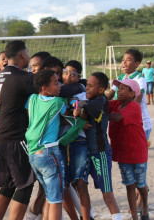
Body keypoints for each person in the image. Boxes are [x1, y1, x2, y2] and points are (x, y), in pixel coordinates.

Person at [0, 40, 37, 220]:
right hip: (14, 137)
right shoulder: (22, 77)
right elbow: (50, 87)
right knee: (26, 182)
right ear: (23, 54)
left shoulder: (1, 76)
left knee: (9, 183)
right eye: (28, 51)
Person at [75, 72, 123, 220]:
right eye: (86, 85)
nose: (86, 89)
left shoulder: (99, 101)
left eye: (90, 86)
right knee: (81, 187)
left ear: (101, 90)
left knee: (107, 194)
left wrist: (77, 105)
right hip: (86, 152)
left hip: (100, 153)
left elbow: (86, 106)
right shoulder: (95, 99)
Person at [25, 69, 66, 220]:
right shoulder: (57, 102)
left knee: (49, 196)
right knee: (56, 199)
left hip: (34, 154)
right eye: (55, 83)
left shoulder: (32, 98)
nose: (60, 85)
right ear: (44, 87)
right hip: (49, 153)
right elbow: (67, 112)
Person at [108, 79, 149, 220]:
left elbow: (117, 117)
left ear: (132, 94)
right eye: (118, 88)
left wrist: (100, 116)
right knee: (129, 185)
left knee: (140, 184)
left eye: (123, 88)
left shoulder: (134, 106)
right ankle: (134, 216)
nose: (119, 90)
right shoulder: (115, 104)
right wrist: (111, 90)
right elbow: (103, 102)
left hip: (137, 152)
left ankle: (144, 206)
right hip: (123, 153)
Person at [59, 60, 92, 220]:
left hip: (79, 140)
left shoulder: (82, 92)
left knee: (80, 183)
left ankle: (87, 217)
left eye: (73, 74)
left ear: (79, 76)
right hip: (62, 141)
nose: (68, 76)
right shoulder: (56, 89)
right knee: (63, 184)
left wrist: (80, 114)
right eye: (65, 72)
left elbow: (84, 111)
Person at [107, 49, 152, 148]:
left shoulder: (140, 79)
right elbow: (109, 96)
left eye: (128, 60)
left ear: (136, 64)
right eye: (123, 60)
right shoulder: (120, 78)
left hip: (140, 124)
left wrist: (123, 114)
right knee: (127, 154)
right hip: (124, 122)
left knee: (137, 155)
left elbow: (138, 99)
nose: (124, 62)